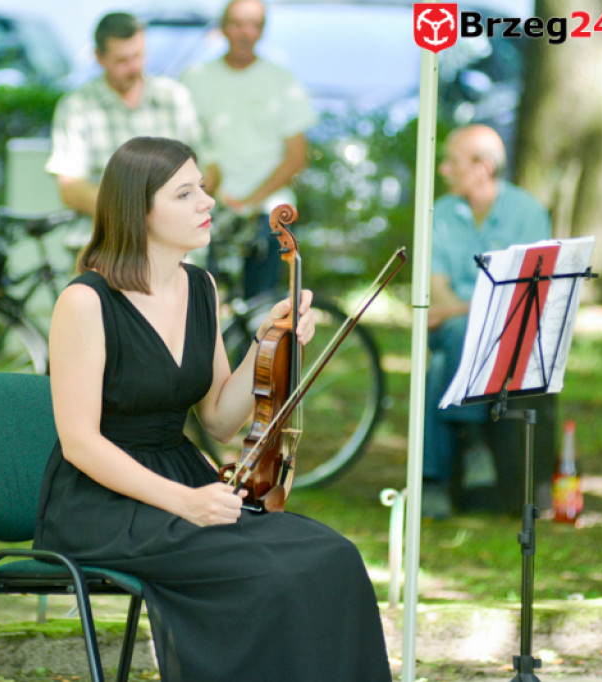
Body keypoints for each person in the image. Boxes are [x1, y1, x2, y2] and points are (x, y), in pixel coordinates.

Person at [34, 136, 391, 681]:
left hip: (185, 480)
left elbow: (221, 420)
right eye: (185, 193)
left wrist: (270, 341)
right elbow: (81, 443)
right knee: (267, 577)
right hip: (101, 502)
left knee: (333, 557)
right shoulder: (85, 301)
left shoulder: (200, 287)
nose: (207, 202)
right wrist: (186, 503)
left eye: (201, 187)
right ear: (139, 210)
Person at [422, 124, 552, 519]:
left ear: (483, 167)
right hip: (454, 331)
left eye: (453, 162)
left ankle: (437, 478)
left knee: (443, 365)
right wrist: (469, 310)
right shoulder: (441, 213)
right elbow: (436, 287)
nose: (444, 170)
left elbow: (526, 295)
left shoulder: (527, 213)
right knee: (459, 335)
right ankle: (474, 442)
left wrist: (462, 311)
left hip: (510, 333)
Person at [180, 0, 316, 299]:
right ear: (223, 27)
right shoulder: (195, 78)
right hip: (209, 202)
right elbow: (181, 145)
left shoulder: (282, 81)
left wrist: (251, 202)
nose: (246, 33)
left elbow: (296, 157)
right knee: (199, 296)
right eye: (238, 24)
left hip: (268, 207)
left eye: (255, 25)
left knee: (260, 303)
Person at [44, 12, 214, 218]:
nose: (133, 68)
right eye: (122, 61)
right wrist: (132, 213)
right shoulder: (77, 107)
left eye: (138, 56)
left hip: (173, 236)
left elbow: (210, 167)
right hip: (107, 239)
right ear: (99, 57)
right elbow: (71, 189)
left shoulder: (174, 98)